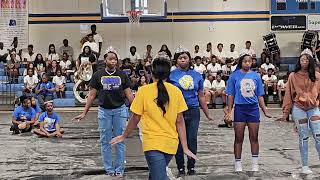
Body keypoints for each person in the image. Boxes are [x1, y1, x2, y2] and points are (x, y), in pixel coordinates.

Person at [110, 58, 198, 180]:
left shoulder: (144, 91)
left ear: (152, 73)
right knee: (156, 175)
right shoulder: (176, 91)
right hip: (171, 144)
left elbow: (136, 118)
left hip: (152, 143)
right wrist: (185, 147)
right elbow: (180, 121)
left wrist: (124, 135)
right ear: (169, 74)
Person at [73, 47, 134, 178]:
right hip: (104, 111)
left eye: (115, 59)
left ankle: (119, 169)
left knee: (120, 140)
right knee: (105, 141)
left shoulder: (122, 75)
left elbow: (129, 94)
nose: (113, 61)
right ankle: (109, 168)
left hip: (120, 110)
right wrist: (84, 113)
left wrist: (137, 111)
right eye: (110, 59)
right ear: (105, 60)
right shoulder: (97, 75)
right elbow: (91, 95)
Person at [169, 46, 214, 176]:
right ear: (176, 60)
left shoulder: (197, 75)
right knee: (177, 140)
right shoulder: (171, 75)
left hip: (193, 110)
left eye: (185, 57)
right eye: (180, 58)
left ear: (189, 59)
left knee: (192, 139)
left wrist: (207, 114)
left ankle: (191, 166)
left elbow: (201, 96)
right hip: (177, 112)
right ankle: (180, 167)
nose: (183, 60)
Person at [225, 54, 270, 172]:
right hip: (240, 109)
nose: (247, 63)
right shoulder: (234, 76)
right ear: (241, 62)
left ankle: (255, 163)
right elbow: (231, 95)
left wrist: (264, 109)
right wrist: (229, 111)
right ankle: (238, 163)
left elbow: (259, 95)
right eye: (245, 61)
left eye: (249, 61)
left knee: (254, 137)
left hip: (253, 109)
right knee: (238, 138)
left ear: (252, 63)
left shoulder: (256, 76)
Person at [281, 52, 320, 174]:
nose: (304, 62)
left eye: (306, 60)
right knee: (303, 137)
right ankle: (304, 166)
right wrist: (286, 111)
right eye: (302, 60)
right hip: (299, 108)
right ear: (299, 62)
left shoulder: (317, 75)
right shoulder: (293, 76)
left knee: (318, 136)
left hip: (314, 108)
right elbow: (288, 94)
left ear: (310, 62)